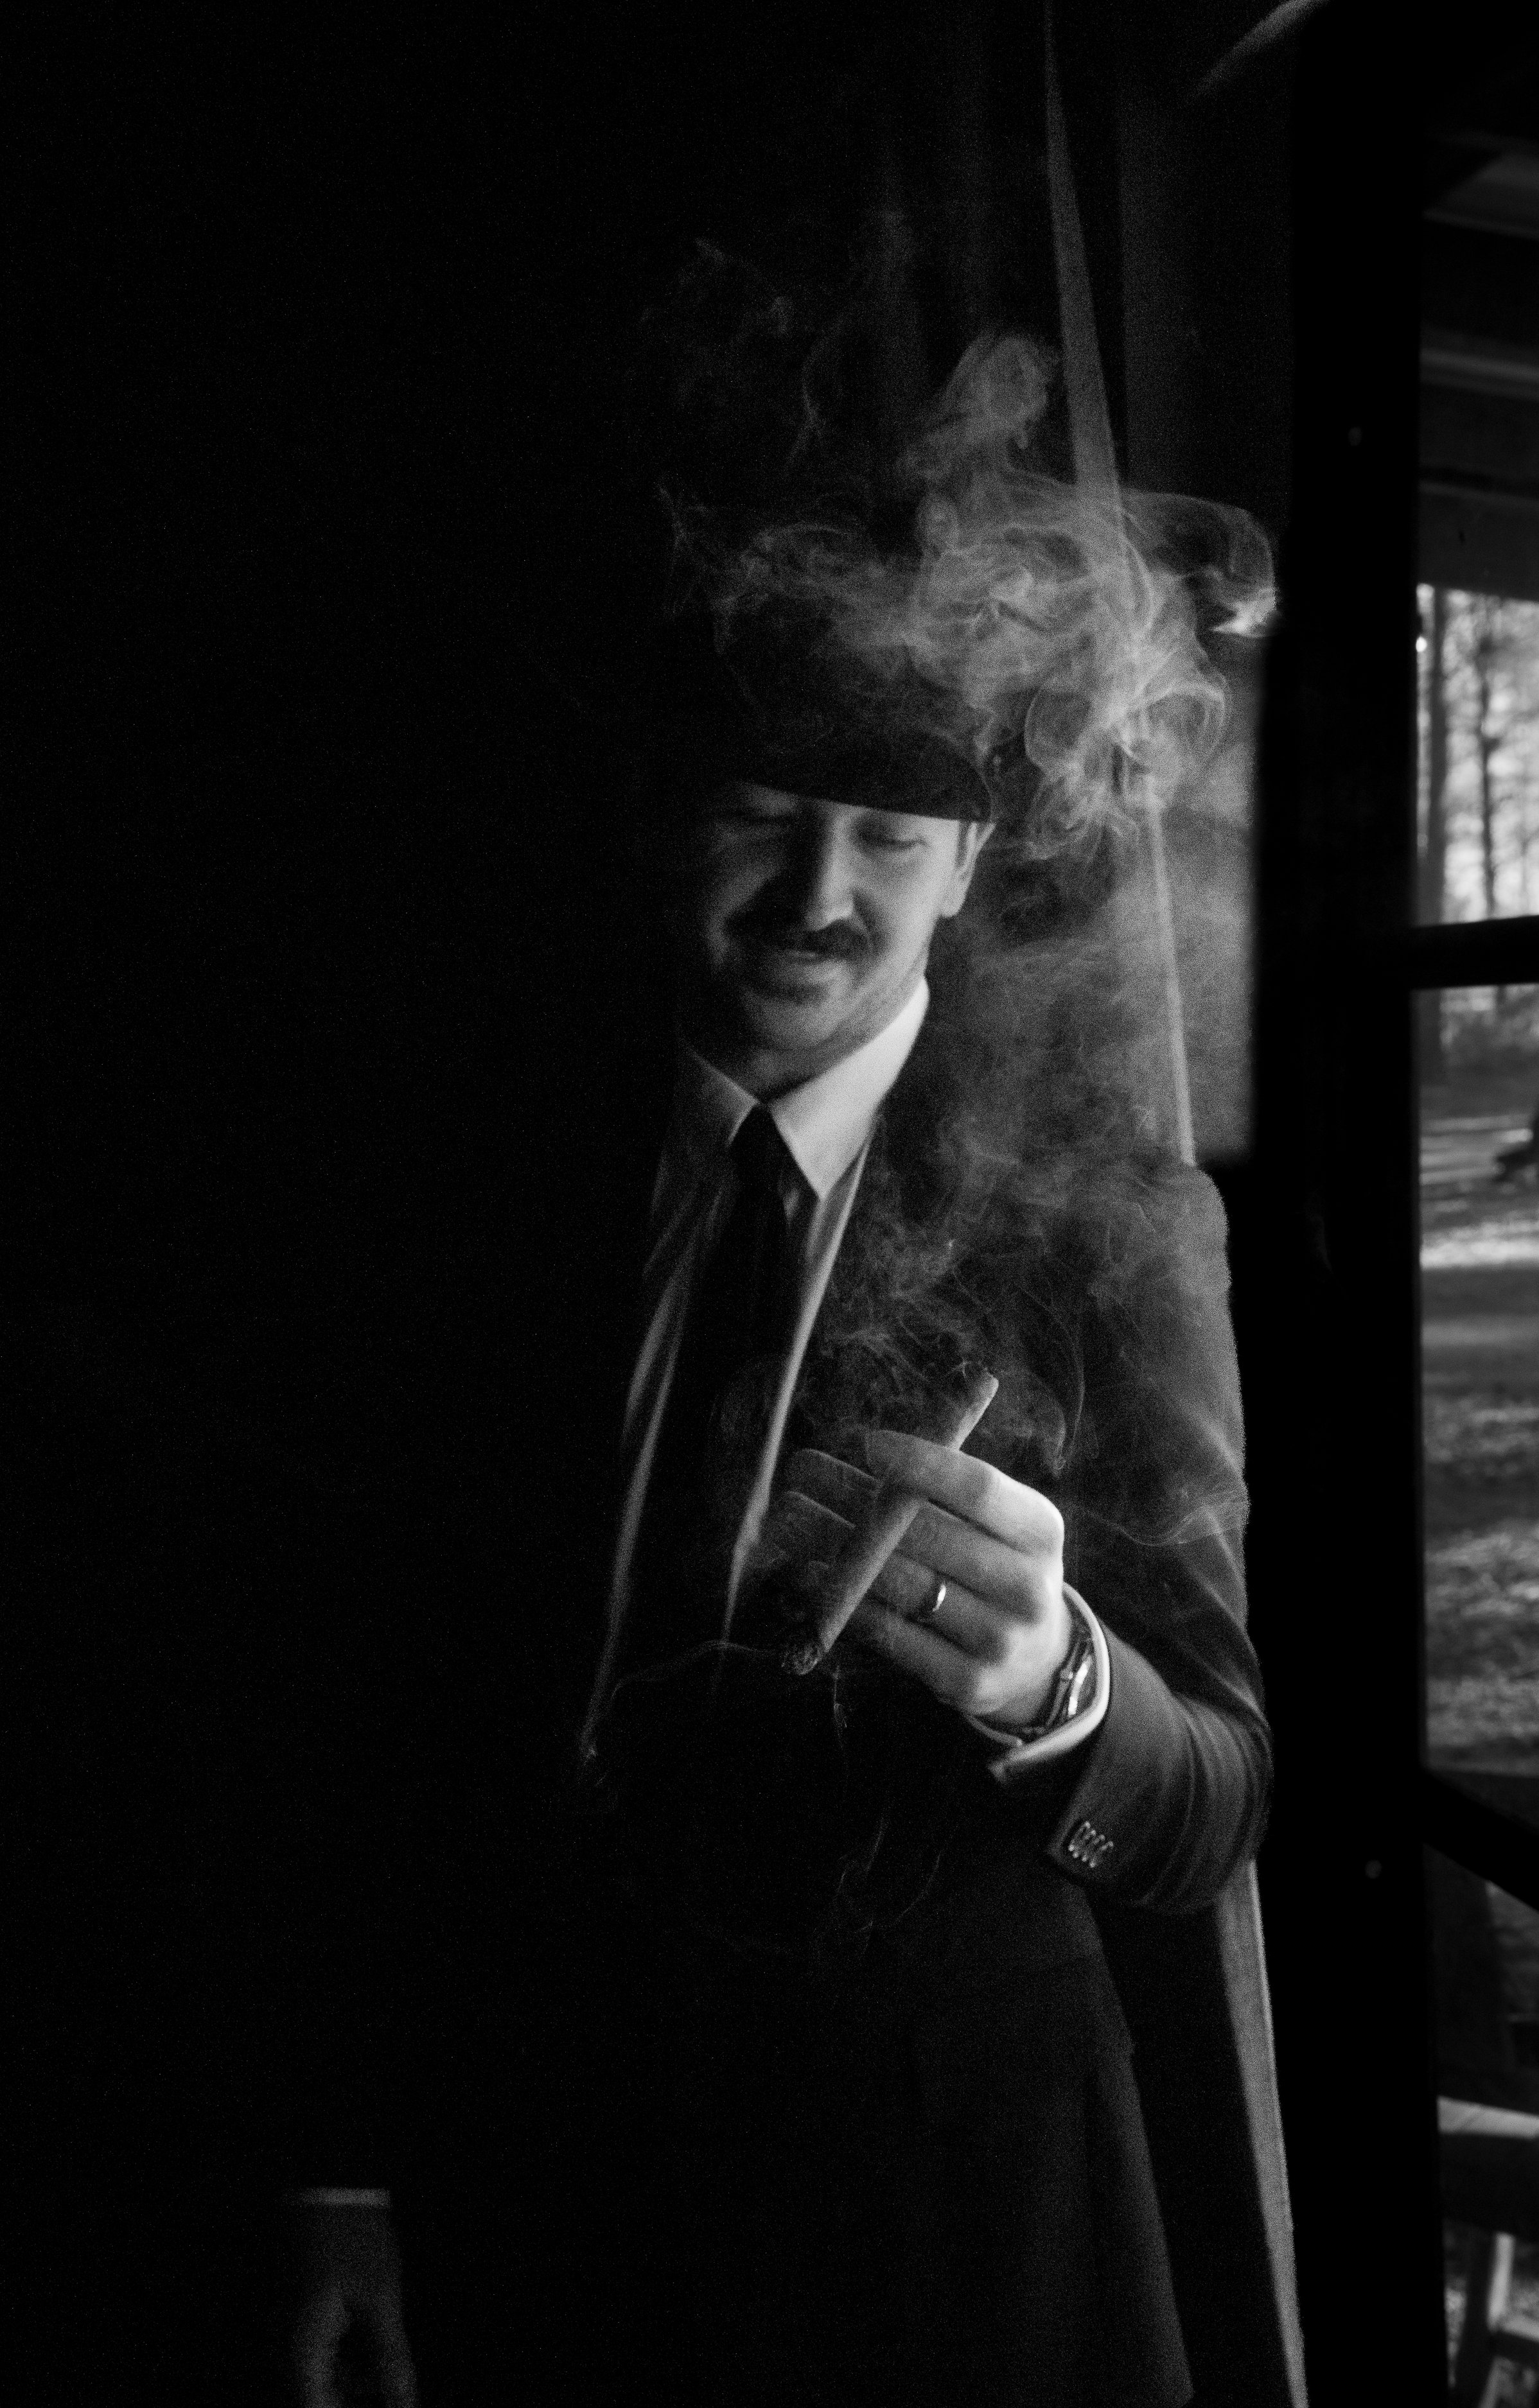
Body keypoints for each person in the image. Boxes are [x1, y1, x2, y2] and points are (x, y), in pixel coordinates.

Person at [286, 320, 1281, 2407]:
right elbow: (340, 1712)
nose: (816, 896)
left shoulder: (1102, 1224)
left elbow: (1210, 1801)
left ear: (968, 867)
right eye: (761, 812)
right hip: (530, 2206)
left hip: (958, 2234)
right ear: (668, 815)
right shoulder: (453, 1178)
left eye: (884, 842)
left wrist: (1052, 1682)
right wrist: (340, 2170)